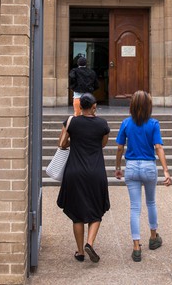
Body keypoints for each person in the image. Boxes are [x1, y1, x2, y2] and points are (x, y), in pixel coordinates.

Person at [114, 90, 172, 262]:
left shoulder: (126, 123)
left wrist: (118, 167)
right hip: (148, 166)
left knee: (135, 207)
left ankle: (136, 246)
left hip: (131, 167)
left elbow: (119, 147)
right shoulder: (153, 124)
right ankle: (153, 237)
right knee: (151, 202)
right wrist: (166, 171)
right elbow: (159, 147)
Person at [56, 93, 110, 263]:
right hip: (95, 171)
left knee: (77, 214)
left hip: (75, 171)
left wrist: (75, 141)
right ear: (94, 106)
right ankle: (90, 243)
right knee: (96, 210)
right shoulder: (102, 124)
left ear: (80, 106)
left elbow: (62, 144)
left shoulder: (72, 122)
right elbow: (102, 144)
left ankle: (80, 252)